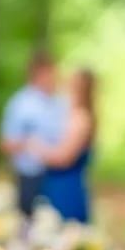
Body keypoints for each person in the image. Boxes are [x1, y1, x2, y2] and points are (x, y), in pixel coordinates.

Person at [0, 51, 65, 217]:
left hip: (58, 176)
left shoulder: (59, 103)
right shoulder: (20, 104)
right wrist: (30, 144)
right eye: (48, 73)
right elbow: (6, 143)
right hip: (30, 176)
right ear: (37, 74)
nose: (52, 78)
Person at [28, 69, 96, 224]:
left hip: (66, 187)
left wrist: (37, 147)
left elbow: (64, 158)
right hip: (55, 183)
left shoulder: (80, 118)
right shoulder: (66, 113)